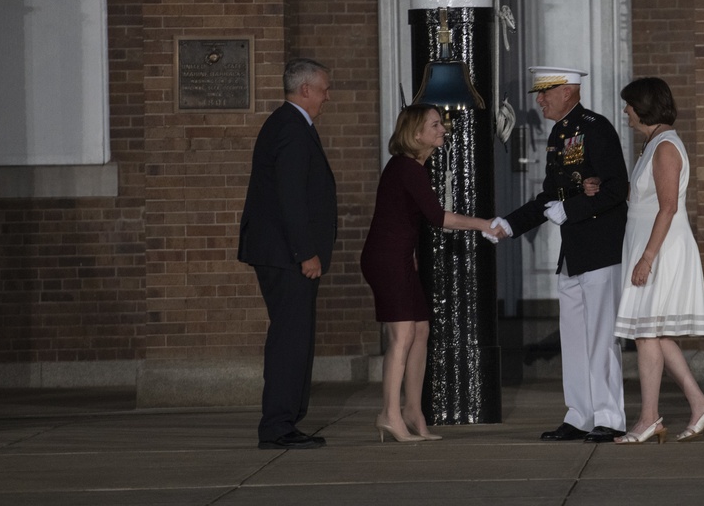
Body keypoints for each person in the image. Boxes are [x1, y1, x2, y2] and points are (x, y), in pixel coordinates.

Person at [491, 66, 628, 444]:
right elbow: (549, 196)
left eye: (545, 92)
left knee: (601, 338)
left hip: (600, 248)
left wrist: (574, 210)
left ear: (568, 91)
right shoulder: (559, 133)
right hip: (573, 252)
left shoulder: (596, 128)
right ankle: (580, 415)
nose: (539, 100)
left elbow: (616, 189)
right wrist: (510, 224)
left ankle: (610, 416)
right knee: (574, 338)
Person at [362, 103, 505, 443]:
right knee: (403, 337)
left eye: (441, 124)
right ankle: (389, 414)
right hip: (387, 260)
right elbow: (438, 218)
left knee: (422, 330)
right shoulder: (407, 168)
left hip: (398, 258)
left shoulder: (412, 168)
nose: (443, 129)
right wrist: (484, 224)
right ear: (415, 134)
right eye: (435, 124)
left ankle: (413, 410)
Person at [603, 76, 704, 444]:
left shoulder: (666, 146)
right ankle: (700, 405)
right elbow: (645, 197)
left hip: (662, 248)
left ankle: (649, 418)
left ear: (644, 106)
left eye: (629, 104)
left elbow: (668, 208)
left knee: (646, 333)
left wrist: (647, 258)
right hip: (649, 244)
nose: (625, 111)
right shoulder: (652, 143)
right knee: (657, 334)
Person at [238, 58, 338, 450]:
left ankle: (287, 420)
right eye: (325, 89)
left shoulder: (289, 124)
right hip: (287, 254)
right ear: (306, 90)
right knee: (290, 339)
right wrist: (306, 252)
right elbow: (290, 197)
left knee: (295, 337)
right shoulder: (292, 129)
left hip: (283, 252)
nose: (328, 97)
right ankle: (278, 425)